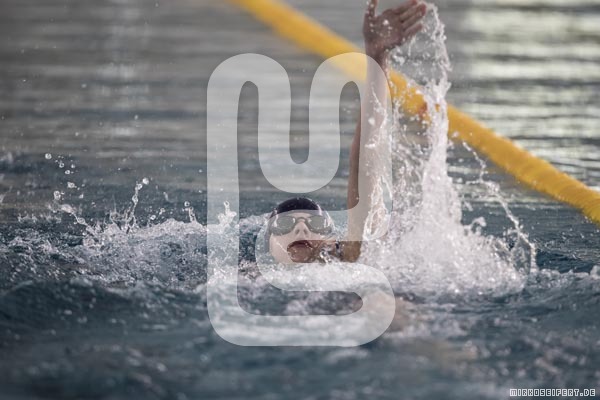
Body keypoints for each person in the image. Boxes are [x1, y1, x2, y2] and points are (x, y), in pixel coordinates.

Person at [265, 0, 427, 264]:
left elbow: (363, 166)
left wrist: (377, 58)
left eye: (316, 224)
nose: (301, 229)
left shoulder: (348, 261)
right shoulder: (246, 278)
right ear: (267, 245)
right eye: (284, 225)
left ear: (332, 241)